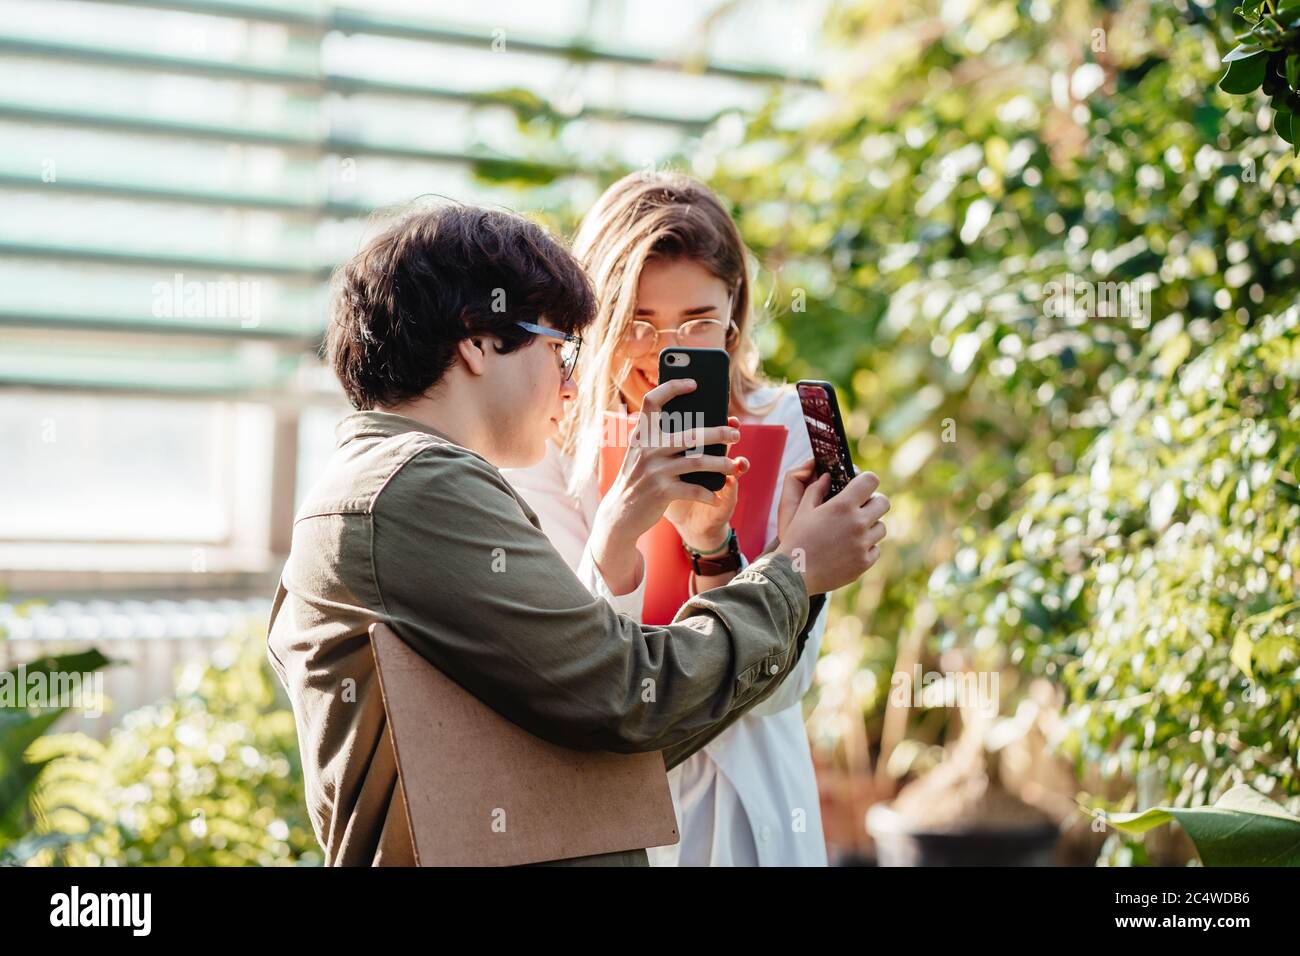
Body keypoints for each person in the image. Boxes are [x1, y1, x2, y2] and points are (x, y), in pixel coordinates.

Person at [266, 201, 891, 866]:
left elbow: (594, 708)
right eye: (560, 348)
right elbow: (625, 699)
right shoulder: (421, 488)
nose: (570, 382)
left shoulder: (408, 479)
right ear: (478, 341)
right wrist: (794, 571)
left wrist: (721, 552)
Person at [504, 172, 857, 865]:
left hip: (758, 804)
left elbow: (783, 687)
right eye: (638, 323)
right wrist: (619, 525)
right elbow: (585, 675)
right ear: (596, 319)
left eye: (697, 322)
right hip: (624, 811)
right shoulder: (546, 447)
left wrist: (716, 546)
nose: (667, 351)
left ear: (735, 310)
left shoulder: (782, 426)